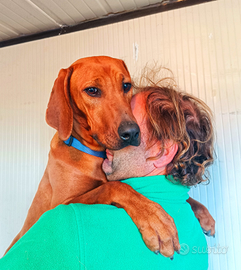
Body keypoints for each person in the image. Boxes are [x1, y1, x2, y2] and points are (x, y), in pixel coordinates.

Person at [0, 79, 214, 270]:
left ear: (162, 152)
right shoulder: (197, 236)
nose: (105, 137)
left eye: (128, 129)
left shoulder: (71, 224)